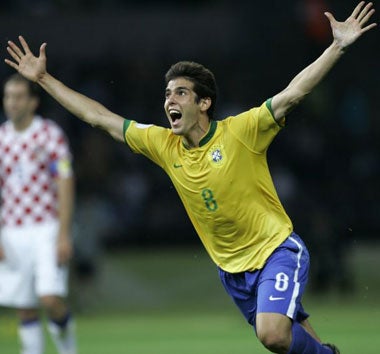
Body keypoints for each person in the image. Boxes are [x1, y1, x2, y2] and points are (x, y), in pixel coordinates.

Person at [4, 2, 376, 353]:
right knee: (287, 335)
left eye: (181, 93)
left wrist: (337, 48)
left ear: (204, 103)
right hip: (231, 271)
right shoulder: (164, 145)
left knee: (272, 334)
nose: (170, 101)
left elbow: (294, 94)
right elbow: (99, 117)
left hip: (276, 250)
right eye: (167, 94)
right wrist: (44, 79)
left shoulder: (242, 131)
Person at [0, 73, 77, 354]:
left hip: (47, 227)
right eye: (8, 96)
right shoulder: (1, 138)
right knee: (24, 305)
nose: (12, 103)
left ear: (33, 102)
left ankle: (69, 349)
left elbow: (65, 182)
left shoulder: (50, 134)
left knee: (49, 298)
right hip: (11, 230)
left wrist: (64, 234)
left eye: (19, 96)